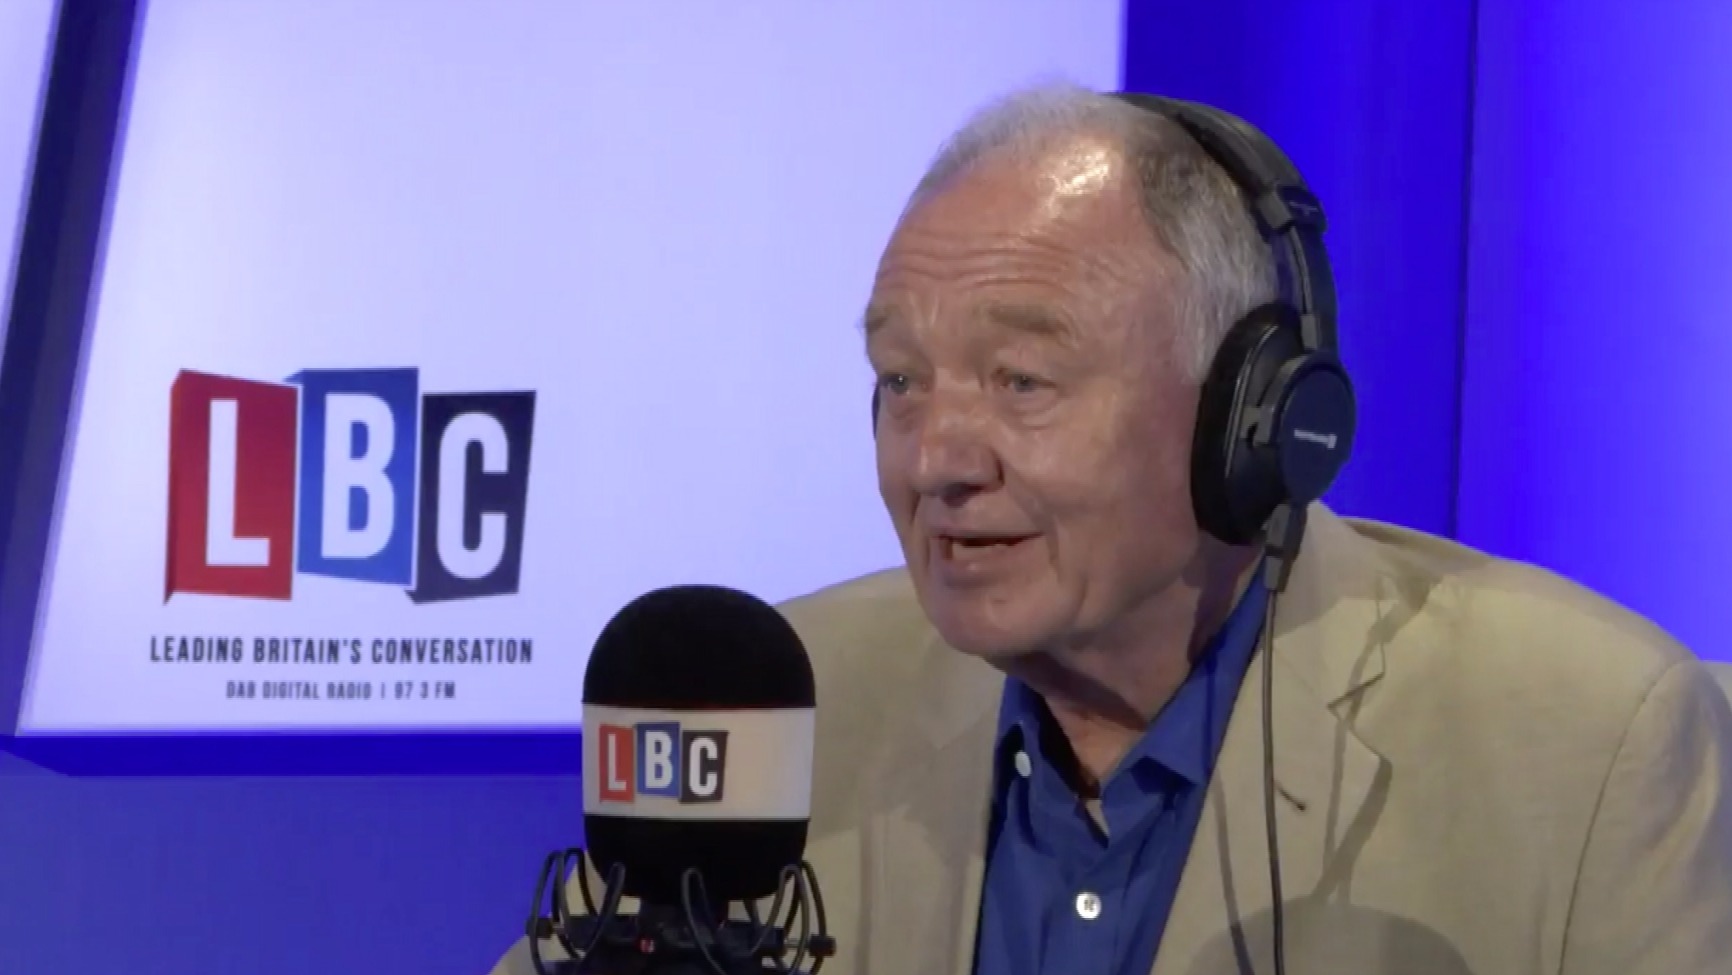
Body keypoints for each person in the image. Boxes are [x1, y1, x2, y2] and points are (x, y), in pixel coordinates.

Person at [493, 82, 1732, 975]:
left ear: (1248, 416)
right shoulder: (779, 706)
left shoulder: (1589, 745)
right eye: (901, 382)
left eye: (1021, 382)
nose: (935, 461)